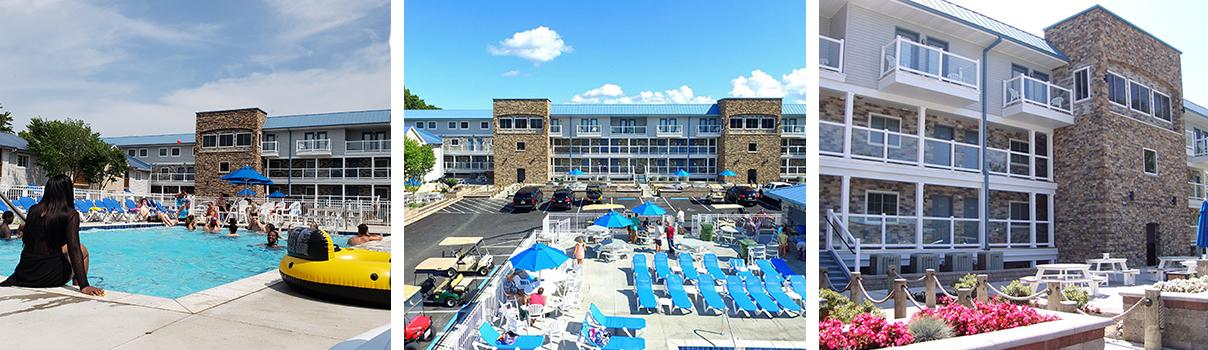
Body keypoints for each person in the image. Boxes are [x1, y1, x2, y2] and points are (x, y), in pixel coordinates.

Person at [0, 174, 104, 296]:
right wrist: (85, 285)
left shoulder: (33, 210)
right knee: (82, 250)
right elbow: (73, 249)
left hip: (25, 273)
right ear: (68, 191)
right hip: (48, 277)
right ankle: (79, 287)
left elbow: (28, 241)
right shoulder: (70, 214)